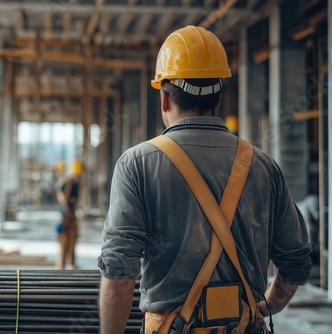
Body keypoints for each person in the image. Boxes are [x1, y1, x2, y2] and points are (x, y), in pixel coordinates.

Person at [97, 25, 312, 334]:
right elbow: (297, 261)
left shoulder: (138, 164)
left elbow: (119, 274)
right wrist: (264, 306)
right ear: (219, 96)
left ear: (164, 99)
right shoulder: (263, 166)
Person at [55, 160, 83, 269]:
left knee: (73, 238)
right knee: (64, 240)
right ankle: (61, 264)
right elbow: (61, 196)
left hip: (72, 214)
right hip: (65, 215)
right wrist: (66, 209)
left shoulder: (76, 183)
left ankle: (71, 262)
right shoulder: (67, 182)